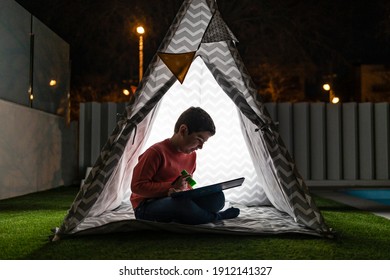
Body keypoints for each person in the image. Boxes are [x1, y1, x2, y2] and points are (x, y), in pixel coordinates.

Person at [130, 107, 240, 225]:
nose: (201, 147)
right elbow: (137, 187)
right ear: (183, 130)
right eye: (199, 139)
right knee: (180, 204)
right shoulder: (156, 152)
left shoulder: (192, 156)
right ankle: (216, 217)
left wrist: (190, 186)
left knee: (217, 197)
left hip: (176, 199)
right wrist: (171, 187)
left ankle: (192, 215)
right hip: (146, 206)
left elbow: (187, 184)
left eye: (204, 142)